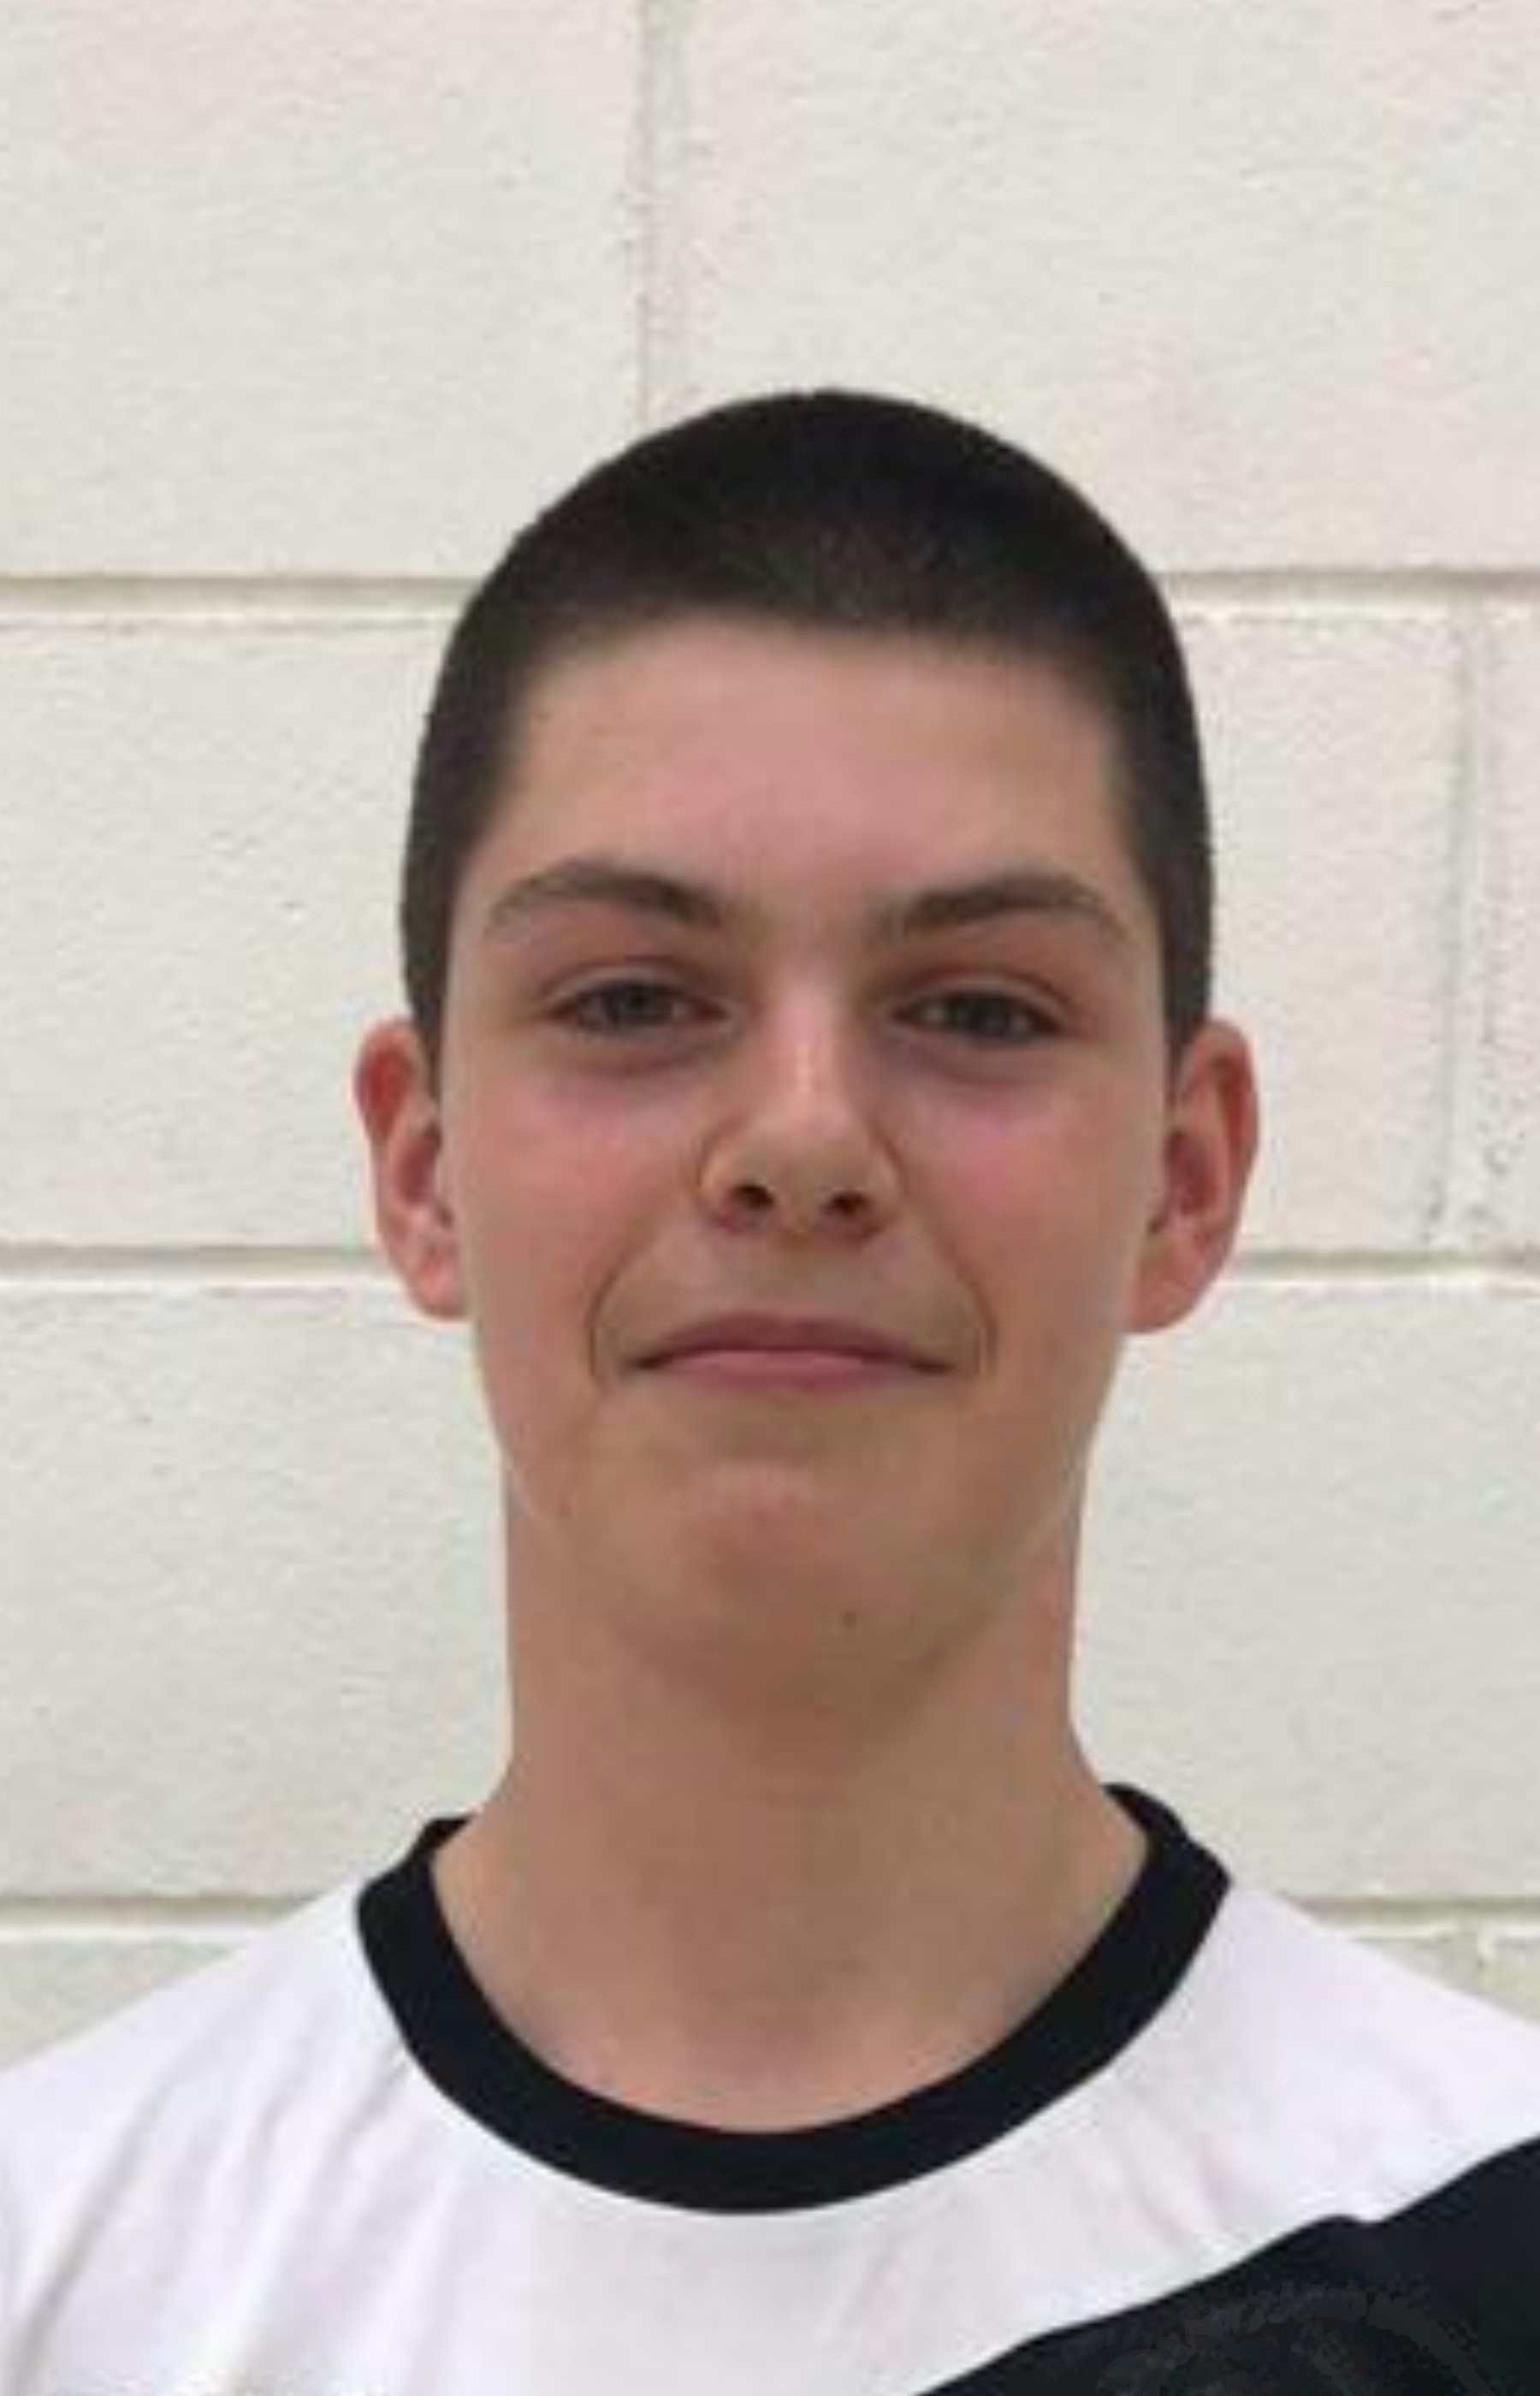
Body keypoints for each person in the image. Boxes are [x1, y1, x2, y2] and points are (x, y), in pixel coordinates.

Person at [1, 388, 1536, 2392]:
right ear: (423, 1166)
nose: (802, 1138)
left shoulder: (1481, 2233)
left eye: (977, 1006)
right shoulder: (58, 2261)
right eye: (634, 998)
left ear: (1184, 1176)